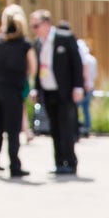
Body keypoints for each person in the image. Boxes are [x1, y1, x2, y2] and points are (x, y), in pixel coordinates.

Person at [29, 10, 84, 176]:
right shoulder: (38, 43)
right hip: (48, 91)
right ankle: (59, 162)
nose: (34, 29)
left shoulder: (65, 38)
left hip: (65, 92)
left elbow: (77, 63)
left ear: (46, 24)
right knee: (54, 128)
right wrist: (36, 88)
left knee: (66, 127)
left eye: (36, 26)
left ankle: (70, 162)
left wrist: (78, 87)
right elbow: (40, 69)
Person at [0, 4, 36, 179]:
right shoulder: (24, 44)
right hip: (13, 89)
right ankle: (14, 164)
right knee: (13, 128)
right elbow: (32, 67)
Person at [77, 37, 98, 136]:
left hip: (84, 86)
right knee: (86, 109)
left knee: (78, 108)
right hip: (91, 85)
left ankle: (79, 127)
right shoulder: (93, 59)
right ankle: (87, 127)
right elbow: (94, 74)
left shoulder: (83, 60)